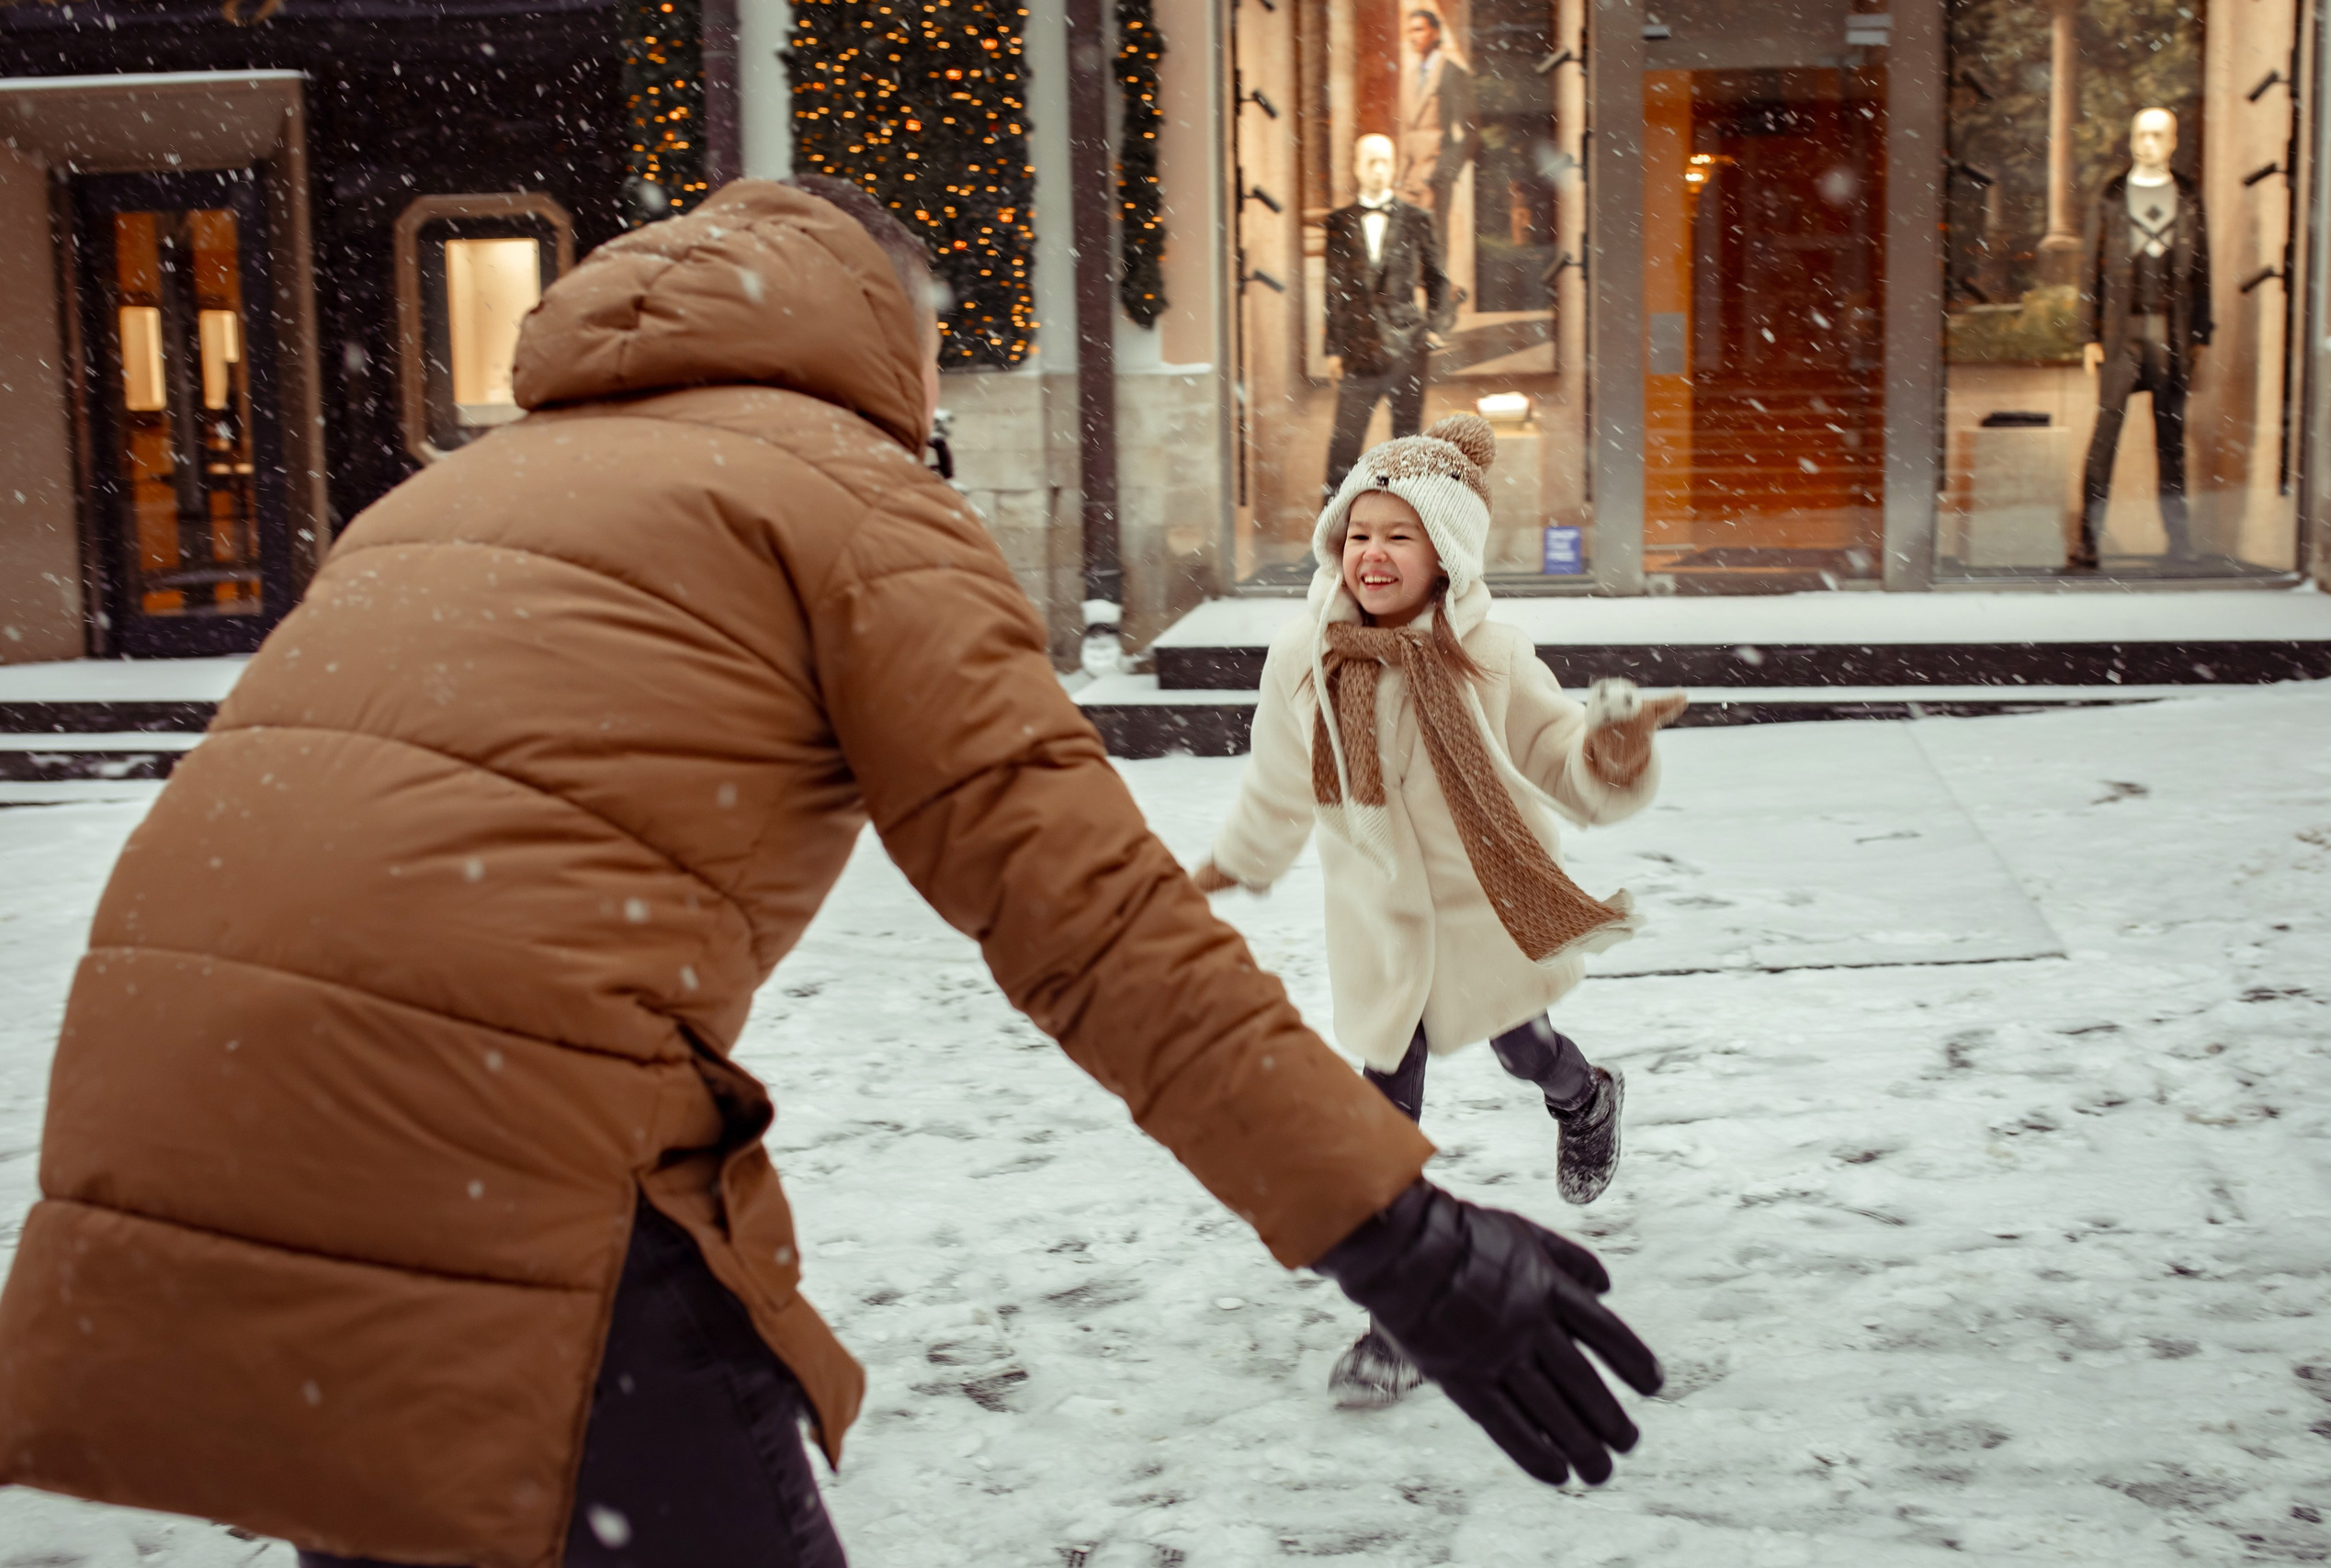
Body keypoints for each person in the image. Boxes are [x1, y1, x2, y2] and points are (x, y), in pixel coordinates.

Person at [0, 179, 1661, 1567]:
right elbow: (1089, 922)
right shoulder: (859, 509)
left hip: (169, 1118)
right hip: (504, 1141)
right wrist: (1393, 1232)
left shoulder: (450, 490)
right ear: (891, 342)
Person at [1194, 413, 1685, 1410]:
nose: (1372, 555)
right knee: (1382, 1114)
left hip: (1483, 909)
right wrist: (1233, 864)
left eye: (1399, 536)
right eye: (1359, 533)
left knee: (1522, 1047)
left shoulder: (1491, 654)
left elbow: (1561, 761)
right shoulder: (1305, 655)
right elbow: (1280, 783)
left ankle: (1583, 1096)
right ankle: (1399, 1319)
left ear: (1444, 554)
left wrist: (1615, 748)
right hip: (1378, 925)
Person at [2077, 106, 2212, 571]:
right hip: (2121, 333)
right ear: (2132, 139)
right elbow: (2089, 267)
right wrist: (2088, 334)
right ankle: (2087, 542)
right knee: (2105, 437)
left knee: (2170, 443)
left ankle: (2179, 543)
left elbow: (2201, 271)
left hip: (2169, 333)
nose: (2149, 142)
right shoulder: (2112, 196)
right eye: (2141, 134)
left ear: (2173, 142)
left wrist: (2200, 335)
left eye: (2158, 135)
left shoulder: (2189, 196)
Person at [1324, 133, 1456, 500]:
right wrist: (1333, 350)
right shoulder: (1339, 222)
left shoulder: (1416, 219)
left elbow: (1438, 279)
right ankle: (1329, 538)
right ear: (1356, 167)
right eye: (1371, 162)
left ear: (1394, 165)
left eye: (1386, 161)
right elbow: (1332, 290)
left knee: (1407, 447)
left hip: (1408, 351)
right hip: (1358, 350)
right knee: (1344, 447)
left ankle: (1408, 535)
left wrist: (1434, 328)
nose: (1379, 170)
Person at [1397, 8, 1476, 245]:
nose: (1413, 36)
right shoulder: (1410, 76)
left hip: (1434, 177)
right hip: (1408, 180)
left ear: (1435, 32)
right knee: (1406, 247)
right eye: (1410, 31)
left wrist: (1443, 172)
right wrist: (1399, 179)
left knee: (1433, 245)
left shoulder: (1451, 73)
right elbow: (1406, 131)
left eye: (1419, 29)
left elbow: (1471, 132)